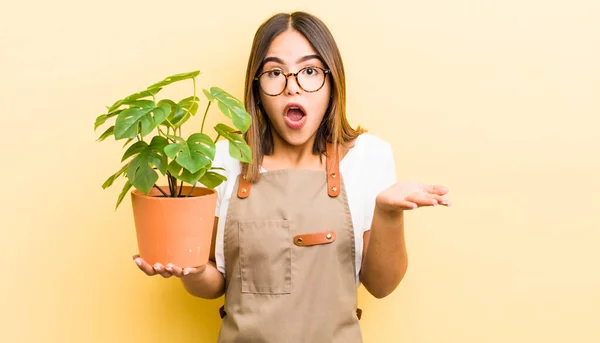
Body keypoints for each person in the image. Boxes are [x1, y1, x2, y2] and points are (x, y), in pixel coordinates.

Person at [133, 11, 450, 342]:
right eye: (274, 73)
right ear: (256, 89)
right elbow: (213, 286)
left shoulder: (368, 157)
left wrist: (388, 212)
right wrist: (194, 270)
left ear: (332, 82)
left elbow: (382, 286)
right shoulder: (225, 158)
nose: (292, 87)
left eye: (310, 71)